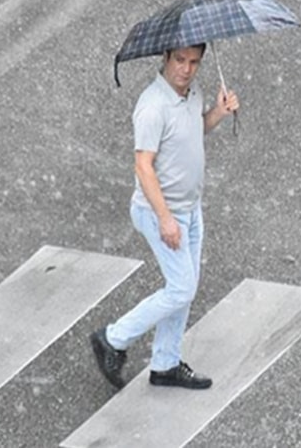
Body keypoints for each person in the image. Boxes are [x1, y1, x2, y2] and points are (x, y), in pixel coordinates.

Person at [90, 43, 239, 389]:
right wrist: (165, 219)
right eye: (180, 60)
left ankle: (166, 363)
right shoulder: (152, 106)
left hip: (189, 209)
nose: (186, 69)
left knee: (183, 288)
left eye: (194, 62)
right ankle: (112, 338)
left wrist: (218, 112)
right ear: (166, 58)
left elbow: (193, 131)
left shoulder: (192, 93)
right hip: (160, 212)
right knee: (182, 288)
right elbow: (143, 166)